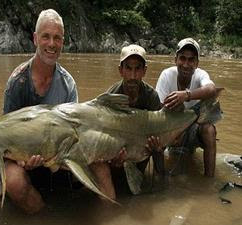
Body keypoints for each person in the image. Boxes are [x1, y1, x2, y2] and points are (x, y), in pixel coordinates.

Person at [2, 9, 78, 214]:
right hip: (21, 158)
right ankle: (44, 216)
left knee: (96, 164)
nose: (52, 44)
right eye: (46, 36)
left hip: (57, 156)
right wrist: (21, 159)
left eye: (57, 38)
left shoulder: (68, 84)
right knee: (15, 182)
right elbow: (5, 136)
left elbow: (73, 134)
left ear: (62, 42)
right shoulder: (18, 82)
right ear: (35, 39)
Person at [93, 44, 165, 199]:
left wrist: (158, 148)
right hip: (119, 149)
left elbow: (160, 130)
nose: (133, 76)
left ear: (144, 71)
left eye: (137, 69)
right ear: (121, 70)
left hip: (143, 148)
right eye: (128, 68)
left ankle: (158, 181)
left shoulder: (151, 97)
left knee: (159, 157)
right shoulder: (111, 96)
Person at [155, 37, 217, 177]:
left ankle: (209, 181)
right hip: (170, 127)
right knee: (155, 135)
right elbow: (159, 111)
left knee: (209, 130)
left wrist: (186, 95)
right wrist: (174, 131)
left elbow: (212, 90)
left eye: (191, 60)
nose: (186, 64)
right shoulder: (166, 75)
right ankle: (160, 178)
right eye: (182, 58)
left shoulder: (201, 75)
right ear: (175, 59)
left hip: (193, 127)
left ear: (196, 63)